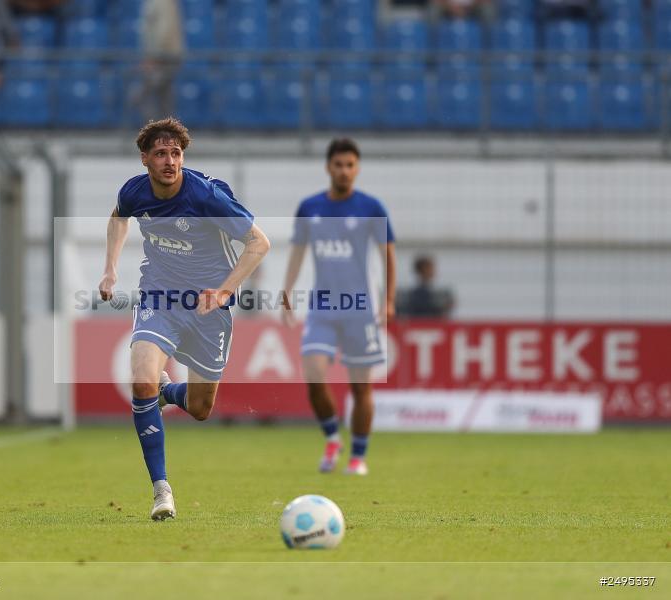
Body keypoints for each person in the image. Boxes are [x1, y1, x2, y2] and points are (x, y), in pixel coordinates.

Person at [99, 117, 270, 520]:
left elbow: (259, 243)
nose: (170, 161)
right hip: (159, 297)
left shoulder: (206, 197)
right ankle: (161, 490)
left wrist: (224, 290)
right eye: (161, 154)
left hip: (209, 309)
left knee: (199, 408)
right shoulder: (134, 191)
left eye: (176, 153)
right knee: (142, 380)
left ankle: (167, 392)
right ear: (145, 159)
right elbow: (118, 216)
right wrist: (110, 270)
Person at [281, 138, 396, 476]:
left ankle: (358, 457)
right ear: (328, 167)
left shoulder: (371, 208)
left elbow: (388, 256)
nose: (344, 171)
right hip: (323, 307)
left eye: (350, 165)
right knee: (313, 373)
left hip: (361, 308)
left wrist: (389, 300)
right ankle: (333, 438)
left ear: (357, 169)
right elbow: (298, 251)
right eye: (338, 165)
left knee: (361, 386)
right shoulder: (310, 207)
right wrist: (287, 290)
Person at [138, 0, 184, 120]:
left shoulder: (161, 2)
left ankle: (155, 126)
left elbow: (165, 30)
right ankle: (165, 127)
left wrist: (154, 57)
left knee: (142, 95)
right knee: (164, 96)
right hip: (164, 55)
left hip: (163, 57)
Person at [398, 254, 455, 318]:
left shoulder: (444, 294)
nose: (431, 271)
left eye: (431, 268)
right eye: (427, 268)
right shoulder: (410, 295)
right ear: (419, 271)